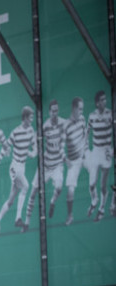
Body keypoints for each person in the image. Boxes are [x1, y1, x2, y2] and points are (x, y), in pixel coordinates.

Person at [0, 106, 37, 233]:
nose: (32, 119)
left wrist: (30, 153)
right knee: (26, 187)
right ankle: (18, 218)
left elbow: (34, 152)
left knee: (11, 199)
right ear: (25, 118)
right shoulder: (16, 132)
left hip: (22, 167)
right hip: (15, 167)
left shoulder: (32, 131)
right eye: (31, 117)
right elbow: (5, 147)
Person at [22, 100, 66, 231]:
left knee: (58, 187)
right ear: (49, 112)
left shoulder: (63, 123)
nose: (55, 114)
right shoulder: (45, 126)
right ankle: (27, 222)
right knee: (33, 192)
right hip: (46, 165)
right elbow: (35, 139)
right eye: (53, 111)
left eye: (57, 111)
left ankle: (52, 202)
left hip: (57, 164)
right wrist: (33, 152)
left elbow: (66, 138)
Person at [86, 90, 113, 221]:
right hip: (96, 151)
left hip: (106, 151)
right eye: (101, 100)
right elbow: (87, 132)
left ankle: (102, 209)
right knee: (91, 184)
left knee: (103, 185)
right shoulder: (91, 116)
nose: (104, 102)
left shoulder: (110, 114)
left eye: (105, 99)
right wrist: (85, 148)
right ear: (97, 103)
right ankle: (94, 200)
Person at [63, 97, 88, 226]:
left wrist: (86, 151)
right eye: (80, 109)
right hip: (73, 161)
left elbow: (86, 135)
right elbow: (60, 146)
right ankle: (70, 215)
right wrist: (65, 158)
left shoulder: (83, 119)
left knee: (102, 169)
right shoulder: (66, 126)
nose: (81, 111)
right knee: (70, 190)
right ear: (74, 108)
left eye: (82, 109)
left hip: (84, 156)